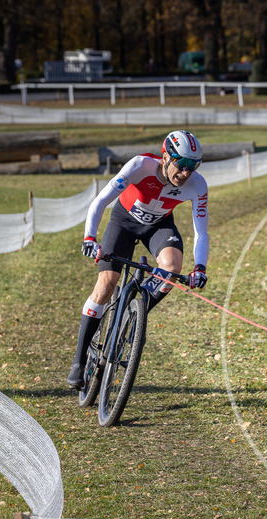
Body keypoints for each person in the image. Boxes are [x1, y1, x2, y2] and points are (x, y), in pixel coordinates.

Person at [66, 129, 209, 389]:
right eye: (183, 164)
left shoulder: (197, 185)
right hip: (123, 222)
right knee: (106, 285)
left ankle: (136, 316)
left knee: (172, 269)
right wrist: (90, 237)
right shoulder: (140, 165)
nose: (187, 173)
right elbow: (100, 201)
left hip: (159, 226)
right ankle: (78, 360)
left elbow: (201, 232)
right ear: (165, 157)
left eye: (194, 165)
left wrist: (200, 268)